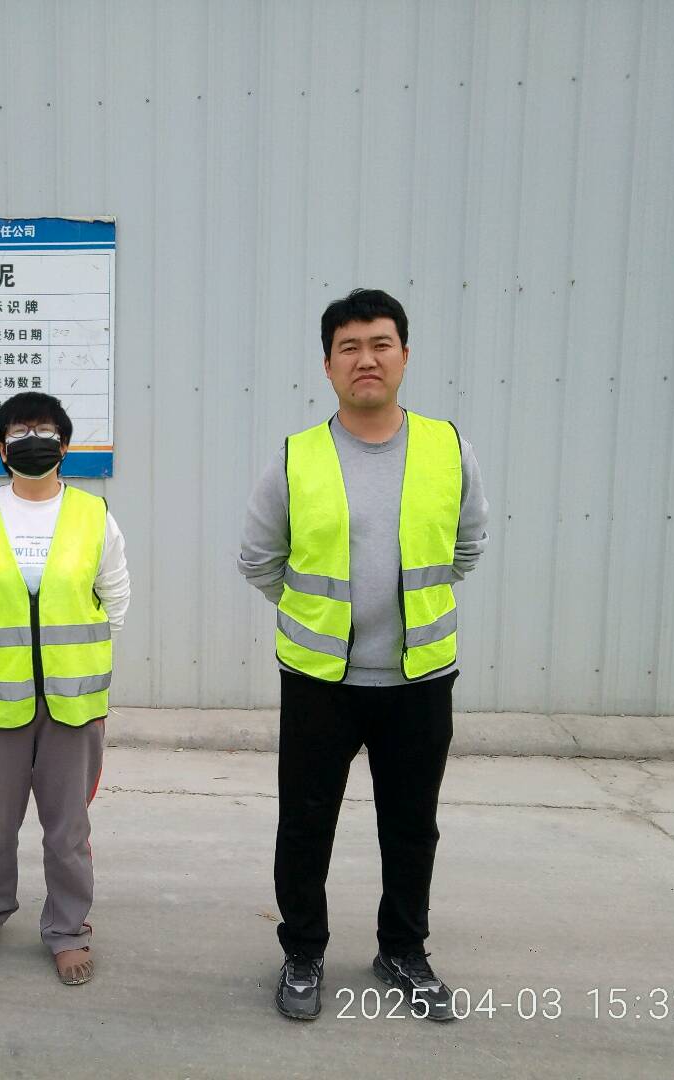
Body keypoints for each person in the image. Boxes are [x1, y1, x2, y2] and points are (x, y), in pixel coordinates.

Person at [238, 290, 489, 1022]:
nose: (366, 359)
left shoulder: (448, 447)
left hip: (419, 677)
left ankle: (403, 950)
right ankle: (302, 952)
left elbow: (467, 546)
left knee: (411, 824)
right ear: (328, 366)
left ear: (404, 355)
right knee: (305, 824)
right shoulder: (297, 456)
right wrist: (316, 617)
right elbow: (259, 559)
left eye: (381, 344)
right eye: (349, 347)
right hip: (320, 679)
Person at [0, 392, 131, 986]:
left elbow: (115, 599)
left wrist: (80, 658)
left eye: (45, 431)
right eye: (19, 432)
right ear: (1, 448)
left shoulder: (95, 515)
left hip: (73, 701)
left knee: (67, 828)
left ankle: (68, 930)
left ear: (64, 446)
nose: (33, 441)